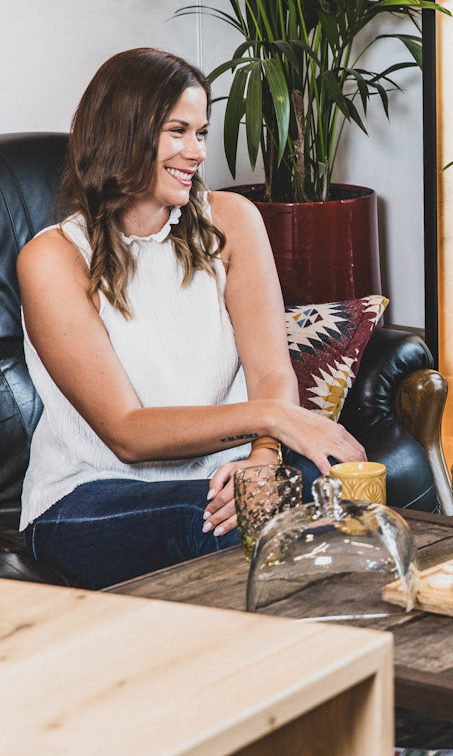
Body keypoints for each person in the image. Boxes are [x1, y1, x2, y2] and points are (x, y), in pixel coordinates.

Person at [19, 47, 366, 588]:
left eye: (201, 133)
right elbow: (127, 434)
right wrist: (272, 421)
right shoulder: (53, 259)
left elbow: (271, 372)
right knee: (254, 524)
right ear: (124, 133)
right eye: (178, 131)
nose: (197, 151)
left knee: (345, 483)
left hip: (221, 473)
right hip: (89, 495)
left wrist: (262, 459)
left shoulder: (232, 221)